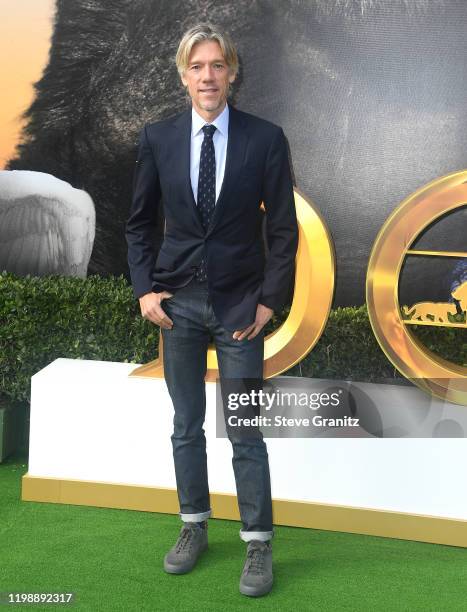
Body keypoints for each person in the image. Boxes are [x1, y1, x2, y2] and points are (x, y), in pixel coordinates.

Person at [125, 22, 298, 598]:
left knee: (244, 428)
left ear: (232, 73)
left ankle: (257, 543)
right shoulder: (158, 138)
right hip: (177, 307)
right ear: (183, 75)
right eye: (197, 67)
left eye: (217, 65)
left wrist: (270, 301)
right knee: (184, 424)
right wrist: (146, 290)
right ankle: (193, 527)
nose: (208, 76)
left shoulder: (265, 138)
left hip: (240, 308)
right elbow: (140, 223)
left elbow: (281, 228)